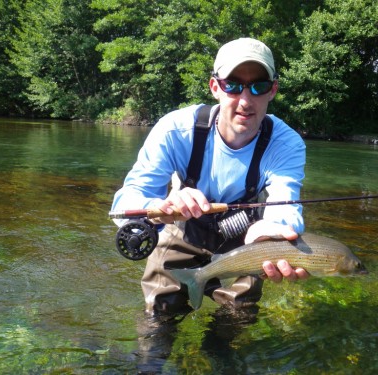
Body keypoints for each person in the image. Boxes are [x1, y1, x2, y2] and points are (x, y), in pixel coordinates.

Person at [112, 37, 308, 315]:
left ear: (273, 90)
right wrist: (159, 210)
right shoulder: (174, 130)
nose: (245, 100)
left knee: (237, 319)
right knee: (159, 322)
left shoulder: (286, 144)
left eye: (258, 86)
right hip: (181, 231)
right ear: (215, 87)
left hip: (249, 239)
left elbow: (286, 205)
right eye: (233, 85)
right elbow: (124, 204)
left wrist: (274, 235)